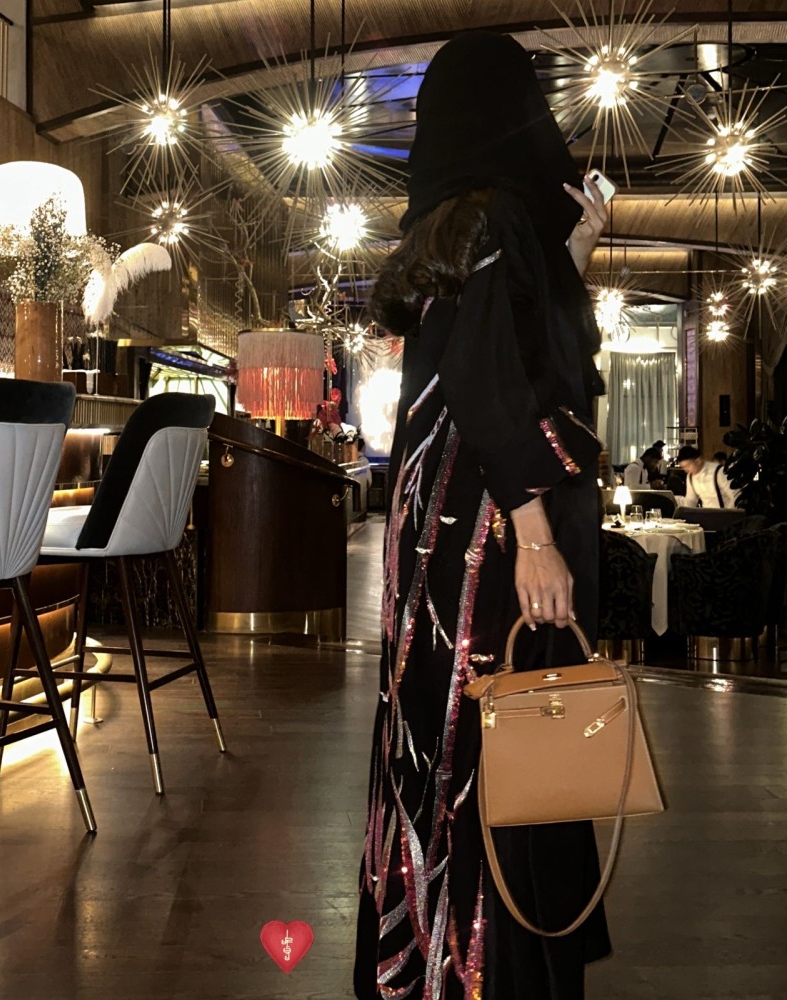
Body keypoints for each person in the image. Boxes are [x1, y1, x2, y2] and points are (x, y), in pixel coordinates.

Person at [355, 32, 611, 1000]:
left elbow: (511, 351)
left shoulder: (452, 228)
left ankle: (441, 954)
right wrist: (536, 536)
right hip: (493, 536)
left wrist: (571, 255)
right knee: (510, 735)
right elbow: (494, 382)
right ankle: (486, 969)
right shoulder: (500, 214)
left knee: (463, 730)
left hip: (447, 530)